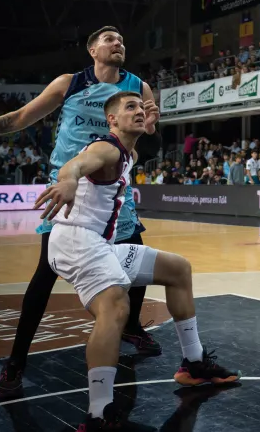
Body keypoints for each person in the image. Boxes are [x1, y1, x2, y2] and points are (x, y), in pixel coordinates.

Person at [0, 26, 161, 400]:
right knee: (45, 276)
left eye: (122, 39)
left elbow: (149, 134)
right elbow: (20, 118)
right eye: (109, 39)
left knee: (136, 254)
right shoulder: (70, 82)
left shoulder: (139, 87)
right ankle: (16, 361)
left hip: (114, 187)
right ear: (92, 49)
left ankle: (132, 326)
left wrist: (152, 124)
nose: (118, 42)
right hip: (70, 186)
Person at [34, 92, 239, 431]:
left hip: (97, 243)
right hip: (74, 241)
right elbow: (76, 164)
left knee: (178, 268)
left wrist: (151, 124)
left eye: (142, 108)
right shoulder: (109, 147)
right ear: (111, 119)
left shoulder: (129, 151)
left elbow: (146, 144)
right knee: (115, 307)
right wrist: (68, 180)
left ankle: (194, 362)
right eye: (131, 107)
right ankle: (99, 413)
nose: (140, 111)